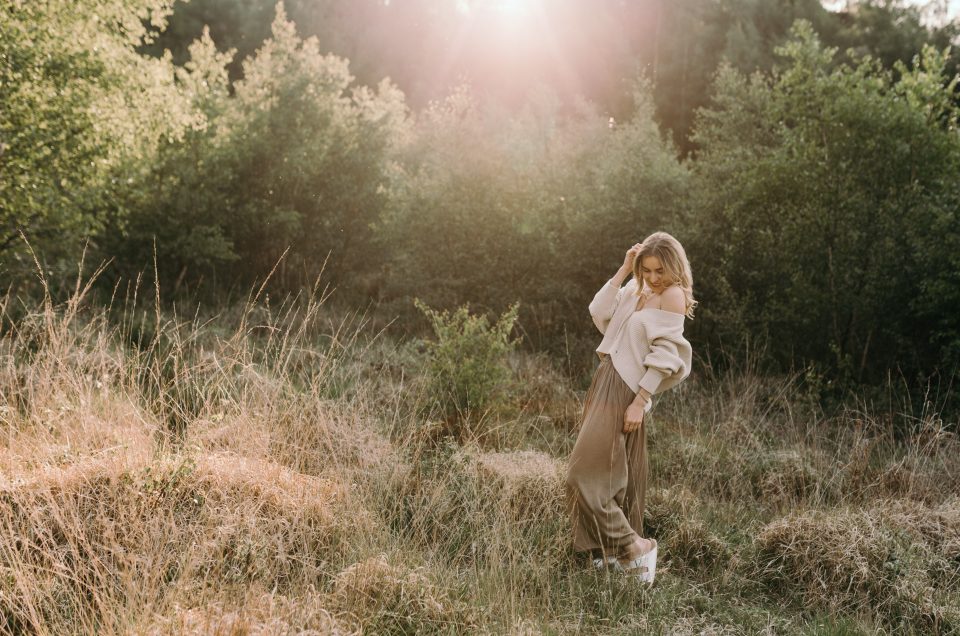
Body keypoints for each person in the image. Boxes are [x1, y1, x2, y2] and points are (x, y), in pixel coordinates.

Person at [566, 231, 696, 583]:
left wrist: (640, 401)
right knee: (612, 470)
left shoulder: (672, 295)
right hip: (606, 377)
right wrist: (625, 270)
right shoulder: (636, 289)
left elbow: (667, 356)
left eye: (660, 270)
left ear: (674, 267)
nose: (654, 278)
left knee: (581, 473)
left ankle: (634, 546)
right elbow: (598, 312)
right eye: (647, 270)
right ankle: (612, 556)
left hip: (627, 387)